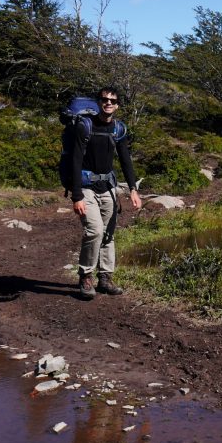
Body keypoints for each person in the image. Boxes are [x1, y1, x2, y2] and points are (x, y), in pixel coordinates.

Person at [70, 86, 142, 299]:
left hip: (108, 187)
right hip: (86, 188)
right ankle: (85, 276)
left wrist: (133, 189)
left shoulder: (118, 129)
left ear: (117, 105)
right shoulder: (85, 126)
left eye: (113, 100)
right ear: (98, 102)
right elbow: (75, 161)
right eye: (104, 99)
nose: (108, 103)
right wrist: (76, 196)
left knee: (109, 235)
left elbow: (125, 160)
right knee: (95, 231)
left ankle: (105, 278)